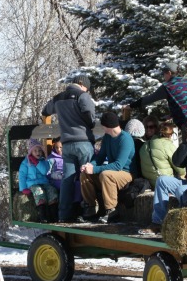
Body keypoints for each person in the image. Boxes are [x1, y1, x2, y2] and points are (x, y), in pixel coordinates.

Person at [41, 74, 96, 222]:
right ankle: (88, 211)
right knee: (87, 176)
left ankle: (63, 214)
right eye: (87, 88)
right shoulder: (82, 96)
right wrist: (88, 125)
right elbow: (90, 115)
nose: (87, 90)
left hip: (66, 144)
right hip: (83, 141)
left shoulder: (58, 98)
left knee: (67, 178)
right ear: (82, 84)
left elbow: (45, 111)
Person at [80, 112, 135, 223]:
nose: (102, 128)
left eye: (103, 126)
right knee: (85, 174)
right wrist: (90, 165)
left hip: (126, 173)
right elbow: (100, 157)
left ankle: (111, 210)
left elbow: (119, 165)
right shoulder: (108, 137)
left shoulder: (125, 139)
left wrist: (95, 169)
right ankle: (91, 207)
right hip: (113, 171)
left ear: (108, 126)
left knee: (106, 175)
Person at [129, 62, 187, 139]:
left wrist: (130, 106)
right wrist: (172, 115)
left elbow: (148, 99)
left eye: (164, 74)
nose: (163, 77)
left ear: (169, 73)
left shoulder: (168, 86)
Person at [19, 139, 59, 223]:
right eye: (35, 151)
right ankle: (43, 216)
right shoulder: (26, 163)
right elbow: (22, 176)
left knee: (52, 190)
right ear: (30, 152)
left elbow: (44, 171)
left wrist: (37, 163)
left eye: (40, 151)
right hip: (32, 184)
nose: (38, 153)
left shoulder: (43, 161)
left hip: (44, 182)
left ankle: (54, 216)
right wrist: (23, 188)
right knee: (39, 192)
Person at [140, 121, 185, 189]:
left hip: (151, 183)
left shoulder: (144, 145)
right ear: (170, 134)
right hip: (165, 182)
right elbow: (181, 169)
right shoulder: (167, 145)